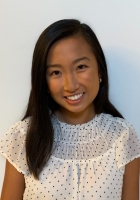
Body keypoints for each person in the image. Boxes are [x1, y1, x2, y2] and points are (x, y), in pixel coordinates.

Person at [0, 19, 140, 200]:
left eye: (81, 67)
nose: (70, 85)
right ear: (44, 81)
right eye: (56, 72)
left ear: (100, 70)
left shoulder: (123, 137)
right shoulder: (24, 137)